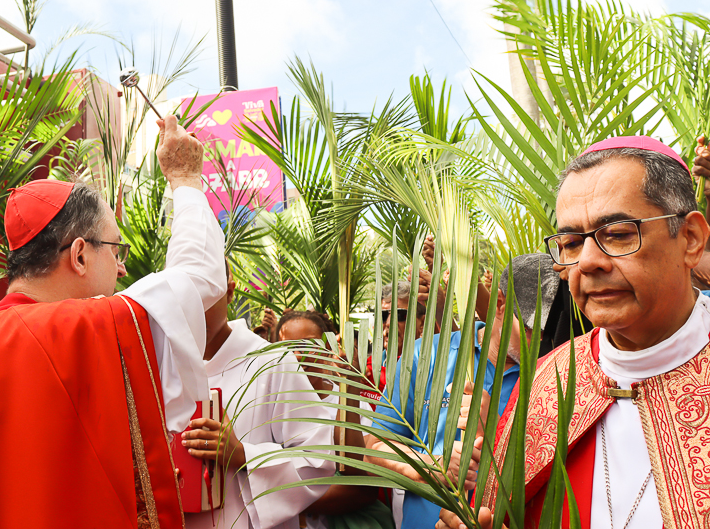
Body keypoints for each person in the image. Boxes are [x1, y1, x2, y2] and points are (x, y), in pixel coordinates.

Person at [0, 115, 226, 529]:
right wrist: (185, 179)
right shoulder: (72, 327)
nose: (121, 268)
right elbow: (200, 277)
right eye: (115, 250)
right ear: (79, 254)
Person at [438, 135, 710, 529]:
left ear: (690, 238)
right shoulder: (549, 380)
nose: (587, 262)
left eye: (618, 233)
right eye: (570, 243)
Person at [366, 274, 527, 529]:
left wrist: (498, 433)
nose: (539, 339)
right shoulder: (425, 355)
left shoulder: (549, 374)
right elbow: (374, 451)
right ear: (500, 305)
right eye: (530, 327)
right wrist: (435, 467)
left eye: (547, 330)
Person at [182, 265, 337, 529]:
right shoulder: (162, 363)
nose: (196, 306)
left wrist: (244, 455)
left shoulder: (273, 362)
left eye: (207, 291)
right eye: (185, 294)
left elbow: (318, 460)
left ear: (229, 291)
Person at [276, 310, 393, 529]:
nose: (298, 356)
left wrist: (282, 498)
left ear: (327, 348)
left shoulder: (350, 402)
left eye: (308, 345)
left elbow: (362, 485)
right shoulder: (266, 408)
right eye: (288, 348)